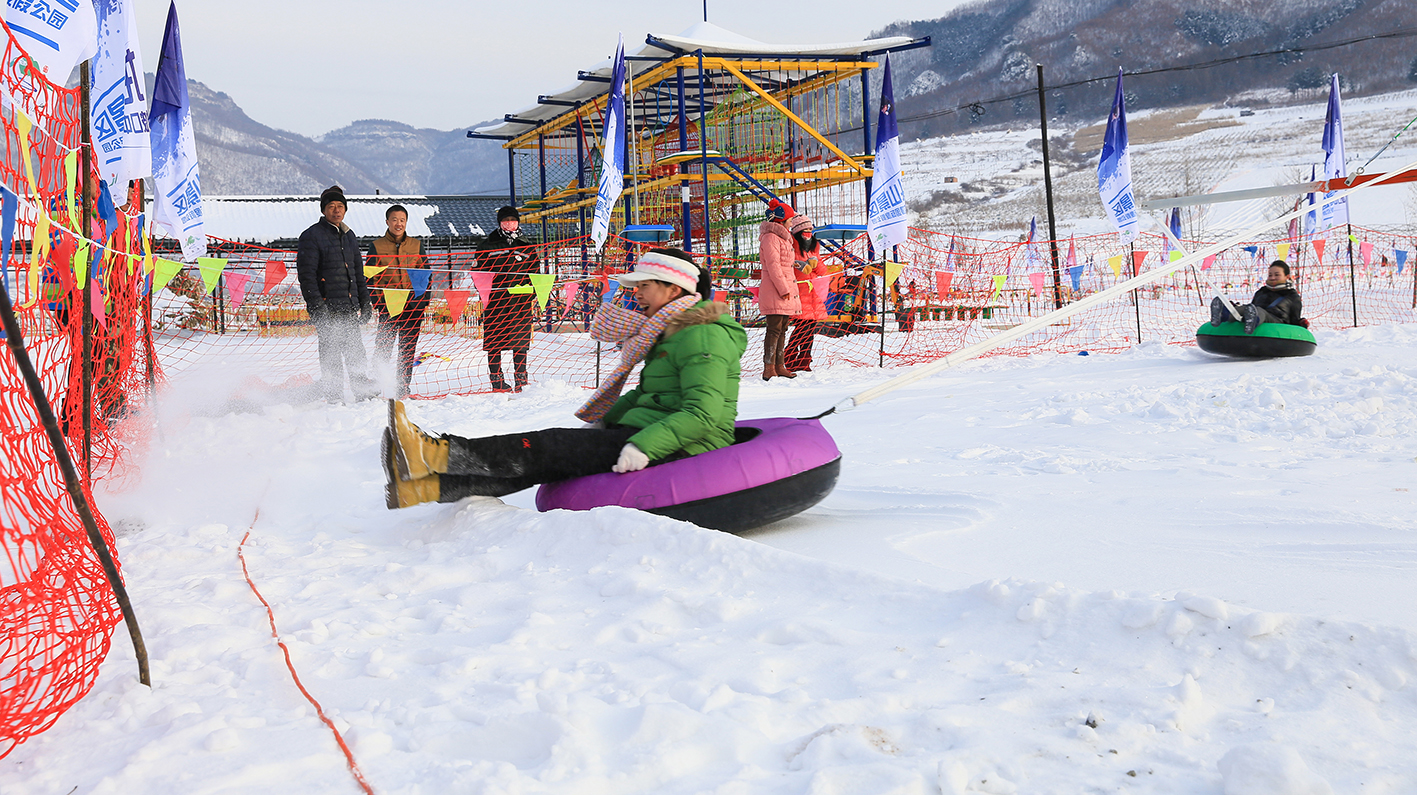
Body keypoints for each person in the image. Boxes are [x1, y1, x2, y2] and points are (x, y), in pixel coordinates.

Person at [382, 248, 746, 509]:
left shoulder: (703, 333)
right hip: (651, 431)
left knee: (546, 447)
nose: (637, 293)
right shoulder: (667, 329)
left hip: (686, 447)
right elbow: (648, 395)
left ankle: (432, 454)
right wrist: (607, 419)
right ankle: (425, 488)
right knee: (548, 460)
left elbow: (704, 413)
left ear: (673, 290)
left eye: (645, 286)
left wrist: (645, 446)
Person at [297, 185, 376, 402]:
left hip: (349, 306)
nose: (336, 210)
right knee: (331, 355)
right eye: (331, 206)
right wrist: (316, 307)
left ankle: (362, 394)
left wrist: (365, 302)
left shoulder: (349, 236)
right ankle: (333, 397)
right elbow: (306, 276)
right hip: (326, 307)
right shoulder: (311, 236)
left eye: (340, 206)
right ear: (323, 210)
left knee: (355, 352)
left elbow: (358, 273)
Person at [367, 204, 428, 397]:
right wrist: (379, 303)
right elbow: (369, 277)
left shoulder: (416, 245)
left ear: (406, 222)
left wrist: (422, 301)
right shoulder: (377, 246)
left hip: (412, 305)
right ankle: (376, 386)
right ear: (387, 222)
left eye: (402, 220)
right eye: (394, 220)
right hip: (389, 304)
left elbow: (425, 275)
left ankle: (403, 387)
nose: (398, 224)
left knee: (407, 348)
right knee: (383, 346)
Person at [476, 206, 538, 392]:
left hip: (520, 303)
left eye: (513, 219)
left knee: (520, 341)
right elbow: (478, 274)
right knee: (495, 341)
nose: (509, 223)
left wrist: (531, 292)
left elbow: (536, 274)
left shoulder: (527, 246)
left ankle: (521, 379)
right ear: (499, 223)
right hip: (496, 302)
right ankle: (497, 380)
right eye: (505, 220)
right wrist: (487, 293)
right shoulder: (488, 245)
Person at [783, 213, 831, 373]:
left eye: (811, 229)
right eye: (805, 229)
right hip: (798, 294)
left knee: (809, 329)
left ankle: (803, 361)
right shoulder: (790, 246)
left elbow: (823, 270)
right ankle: (790, 357)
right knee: (802, 328)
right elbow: (787, 267)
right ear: (797, 231)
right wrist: (799, 265)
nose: (809, 232)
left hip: (813, 295)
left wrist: (815, 264)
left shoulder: (814, 247)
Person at [758, 199, 800, 380]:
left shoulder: (783, 239)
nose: (792, 223)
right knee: (774, 329)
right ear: (781, 221)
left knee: (782, 328)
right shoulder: (770, 238)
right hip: (775, 289)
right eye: (790, 220)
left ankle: (779, 365)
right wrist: (783, 288)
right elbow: (773, 265)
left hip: (783, 290)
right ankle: (769, 367)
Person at [1210, 260, 1303, 334]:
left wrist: (1301, 325)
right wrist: (1236, 308)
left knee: (1259, 311)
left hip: (1277, 323)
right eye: (1270, 275)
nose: (1273, 277)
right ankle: (1224, 314)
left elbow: (1295, 320)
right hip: (1257, 314)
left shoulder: (1292, 296)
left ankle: (1253, 323)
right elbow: (1252, 308)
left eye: (1277, 275)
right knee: (1245, 308)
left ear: (1287, 277)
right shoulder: (1262, 291)